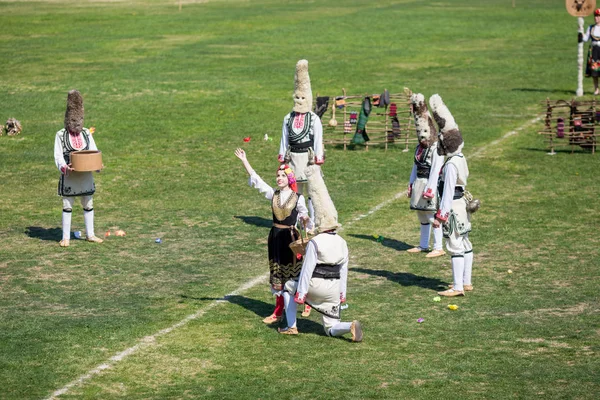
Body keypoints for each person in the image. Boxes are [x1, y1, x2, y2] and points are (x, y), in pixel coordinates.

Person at [280, 165, 363, 342]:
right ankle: (349, 326)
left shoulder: (315, 242)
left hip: (315, 285)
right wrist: (342, 293)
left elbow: (307, 270)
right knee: (331, 327)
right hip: (333, 289)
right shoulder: (342, 242)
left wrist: (301, 294)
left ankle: (291, 326)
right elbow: (344, 270)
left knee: (287, 286)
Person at [234, 148, 312, 324]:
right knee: (277, 274)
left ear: (289, 179)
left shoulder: (297, 198)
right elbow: (257, 180)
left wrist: (306, 220)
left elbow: (304, 216)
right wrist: (244, 160)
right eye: (278, 176)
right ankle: (278, 312)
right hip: (275, 238)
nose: (279, 178)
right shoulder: (273, 194)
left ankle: (306, 302)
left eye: (283, 176)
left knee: (294, 274)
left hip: (291, 239)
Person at [278, 59, 324, 317]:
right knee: (295, 194)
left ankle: (313, 222)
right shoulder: (287, 118)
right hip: (293, 160)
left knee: (312, 192)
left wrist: (318, 157)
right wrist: (282, 155)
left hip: (307, 160)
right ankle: (295, 219)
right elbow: (284, 139)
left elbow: (318, 139)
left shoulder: (314, 119)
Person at [428, 94, 474, 297]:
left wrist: (440, 216)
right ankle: (466, 282)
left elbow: (447, 193)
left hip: (453, 206)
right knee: (465, 242)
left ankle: (457, 287)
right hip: (462, 204)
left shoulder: (450, 166)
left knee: (455, 245)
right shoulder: (461, 158)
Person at [54, 90, 104, 247]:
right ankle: (66, 238)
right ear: (68, 119)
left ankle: (90, 234)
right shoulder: (61, 135)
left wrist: (98, 165)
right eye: (74, 120)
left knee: (88, 204)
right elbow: (58, 156)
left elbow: (94, 151)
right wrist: (65, 167)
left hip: (85, 176)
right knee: (67, 205)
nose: (77, 123)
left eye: (80, 120)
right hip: (70, 176)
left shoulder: (87, 134)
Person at [406, 93, 445, 258]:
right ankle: (423, 245)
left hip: (429, 184)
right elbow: (415, 166)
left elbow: (436, 168)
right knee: (421, 214)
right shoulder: (419, 147)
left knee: (430, 215)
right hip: (419, 183)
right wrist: (411, 183)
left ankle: (438, 246)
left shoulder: (436, 148)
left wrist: (430, 188)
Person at [581, 8, 600, 95]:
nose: (596, 18)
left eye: (598, 16)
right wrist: (580, 33)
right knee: (594, 72)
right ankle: (596, 89)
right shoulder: (591, 28)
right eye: (595, 16)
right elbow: (585, 39)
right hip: (594, 51)